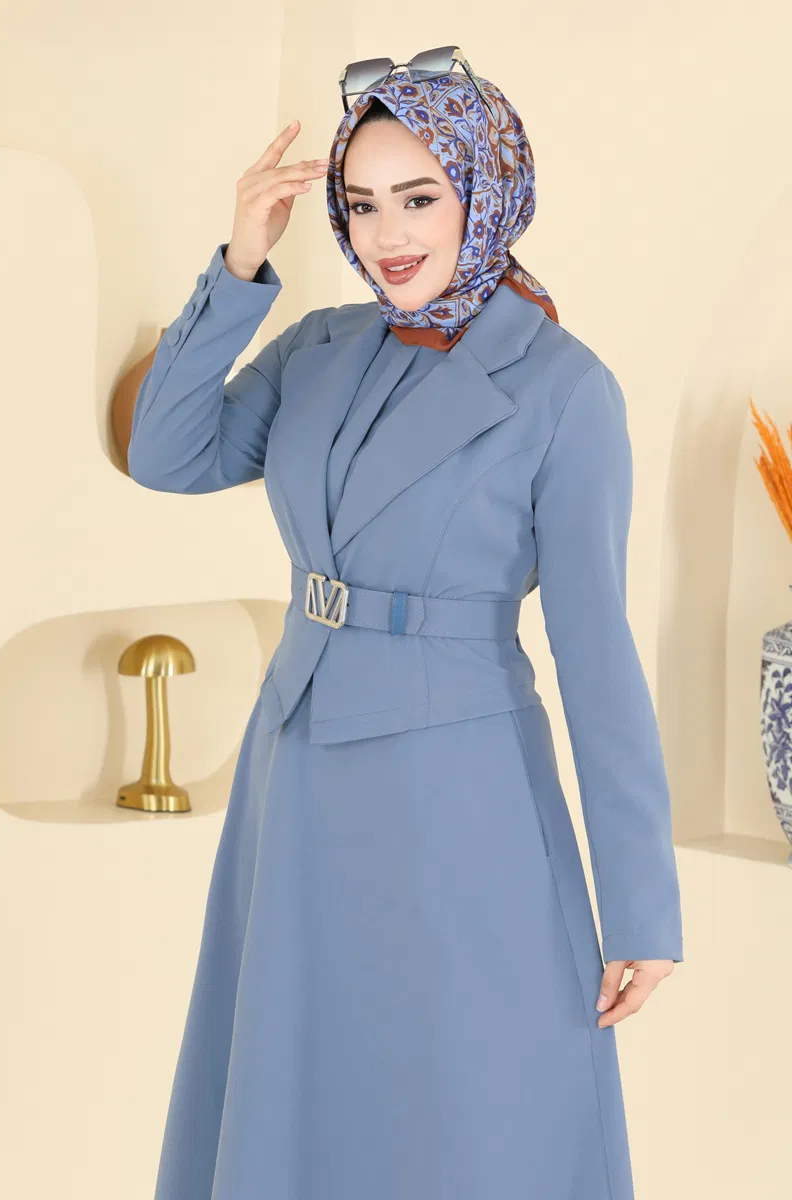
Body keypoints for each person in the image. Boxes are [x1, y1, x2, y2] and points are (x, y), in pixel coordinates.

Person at [129, 56, 683, 1200]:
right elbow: (167, 453)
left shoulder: (564, 392)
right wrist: (241, 262)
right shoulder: (319, 347)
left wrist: (640, 904)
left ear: (484, 189)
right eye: (361, 203)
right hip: (295, 771)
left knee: (456, 1109)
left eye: (419, 197)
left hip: (458, 797)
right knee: (295, 1088)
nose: (387, 235)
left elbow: (594, 654)